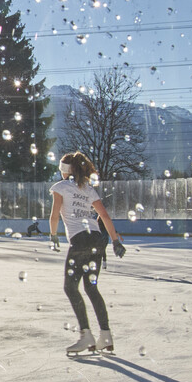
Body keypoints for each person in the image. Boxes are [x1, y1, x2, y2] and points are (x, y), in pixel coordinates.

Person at [49, 152, 126, 356]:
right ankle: (106, 335)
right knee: (91, 288)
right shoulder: (88, 190)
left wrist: (53, 234)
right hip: (97, 239)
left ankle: (86, 336)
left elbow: (55, 213)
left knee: (70, 287)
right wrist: (115, 241)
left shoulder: (61, 187)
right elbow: (104, 215)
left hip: (80, 240)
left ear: (66, 170)